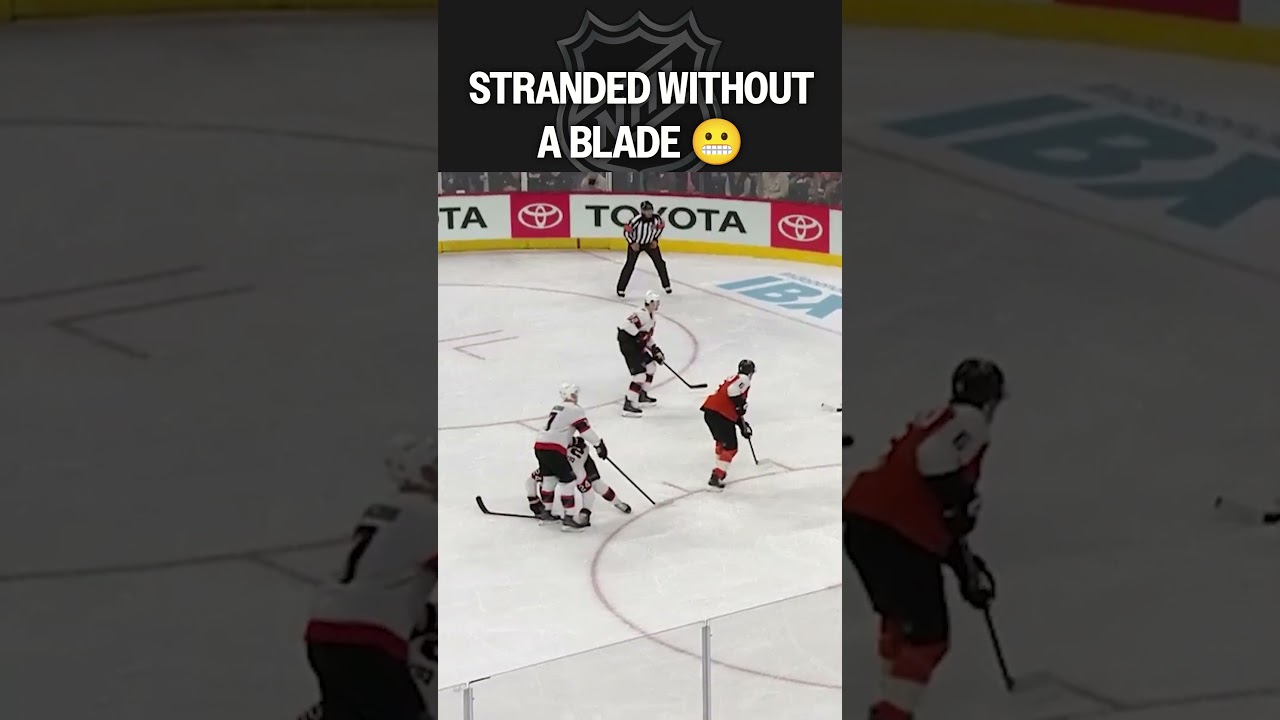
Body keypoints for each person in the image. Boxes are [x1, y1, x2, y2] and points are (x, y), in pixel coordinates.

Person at [843, 359, 1006, 720]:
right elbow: (932, 462)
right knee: (930, 637)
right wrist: (958, 502)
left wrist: (965, 571)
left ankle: (889, 703)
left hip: (862, 521)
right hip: (898, 533)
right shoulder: (971, 422)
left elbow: (936, 509)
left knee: (900, 620)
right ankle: (891, 714)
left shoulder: (934, 419)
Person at [301, 434, 437, 720]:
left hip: (323, 630)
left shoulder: (387, 509)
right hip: (369, 640)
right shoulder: (428, 514)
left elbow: (386, 572)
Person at [533, 383, 609, 530]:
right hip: (554, 448)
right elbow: (584, 431)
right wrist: (598, 444)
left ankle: (546, 513)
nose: (575, 397)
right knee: (568, 481)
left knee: (549, 479)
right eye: (574, 394)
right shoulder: (574, 409)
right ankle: (569, 518)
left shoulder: (557, 407)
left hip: (540, 446)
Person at [527, 436, 632, 529]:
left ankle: (618, 503)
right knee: (547, 483)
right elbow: (531, 481)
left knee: (596, 483)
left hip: (582, 460)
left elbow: (589, 493)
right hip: (566, 457)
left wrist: (585, 512)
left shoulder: (577, 473)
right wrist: (534, 503)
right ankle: (547, 509)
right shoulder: (553, 467)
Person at [699, 359, 756, 490]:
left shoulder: (734, 378)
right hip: (721, 415)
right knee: (731, 447)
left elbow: (733, 405)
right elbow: (732, 392)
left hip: (710, 412)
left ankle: (719, 468)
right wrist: (740, 405)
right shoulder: (744, 379)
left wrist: (742, 426)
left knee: (721, 441)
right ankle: (717, 475)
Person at [616, 291, 664, 416]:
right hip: (629, 347)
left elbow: (646, 337)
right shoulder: (641, 313)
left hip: (636, 346)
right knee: (640, 375)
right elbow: (625, 327)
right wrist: (637, 337)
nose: (658, 304)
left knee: (651, 367)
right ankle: (629, 403)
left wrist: (655, 349)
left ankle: (642, 395)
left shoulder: (652, 317)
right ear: (651, 302)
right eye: (656, 302)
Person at [616, 200, 671, 297]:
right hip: (636, 243)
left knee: (660, 263)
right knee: (630, 265)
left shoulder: (657, 219)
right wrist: (632, 242)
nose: (649, 212)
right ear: (642, 211)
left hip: (649, 243)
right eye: (646, 210)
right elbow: (626, 231)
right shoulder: (636, 220)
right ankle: (621, 288)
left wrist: (655, 240)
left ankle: (666, 285)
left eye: (650, 210)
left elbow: (660, 227)